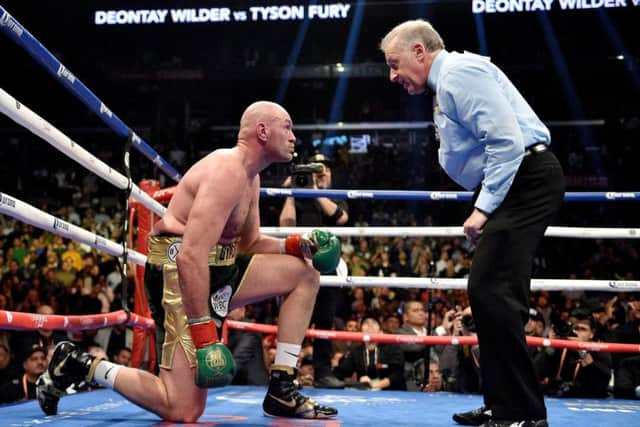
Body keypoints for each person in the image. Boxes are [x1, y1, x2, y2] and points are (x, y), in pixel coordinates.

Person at [36, 101, 341, 422]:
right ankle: (79, 364)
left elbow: (248, 243)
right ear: (263, 132)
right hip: (177, 274)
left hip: (219, 269)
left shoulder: (250, 177)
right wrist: (204, 333)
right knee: (183, 409)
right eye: (288, 126)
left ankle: (283, 387)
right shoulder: (228, 171)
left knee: (303, 273)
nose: (294, 137)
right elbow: (189, 255)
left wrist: (296, 244)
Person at [380, 20, 565, 427]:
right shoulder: (447, 81)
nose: (392, 75)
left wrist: (483, 207)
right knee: (490, 296)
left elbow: (505, 142)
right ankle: (504, 405)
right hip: (515, 181)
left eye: (395, 64)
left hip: (524, 178)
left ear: (419, 51)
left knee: (491, 291)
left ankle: (524, 414)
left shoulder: (459, 74)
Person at [279, 152, 349, 389]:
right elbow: (285, 225)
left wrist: (315, 191)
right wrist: (291, 193)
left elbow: (340, 218)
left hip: (326, 265)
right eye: (316, 170)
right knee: (292, 320)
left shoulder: (333, 196)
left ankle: (323, 373)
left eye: (325, 170)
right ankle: (287, 374)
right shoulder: (297, 197)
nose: (321, 174)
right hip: (298, 264)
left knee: (324, 321)